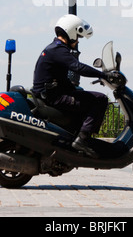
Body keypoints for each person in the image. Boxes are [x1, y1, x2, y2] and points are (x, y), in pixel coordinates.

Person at [32, 14, 111, 158]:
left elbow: (59, 77)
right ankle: (83, 139)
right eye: (78, 37)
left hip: (49, 94)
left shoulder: (53, 48)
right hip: (53, 97)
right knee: (100, 99)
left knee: (81, 92)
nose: (78, 41)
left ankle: (74, 135)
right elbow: (77, 67)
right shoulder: (58, 50)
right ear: (72, 33)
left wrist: (73, 87)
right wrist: (103, 75)